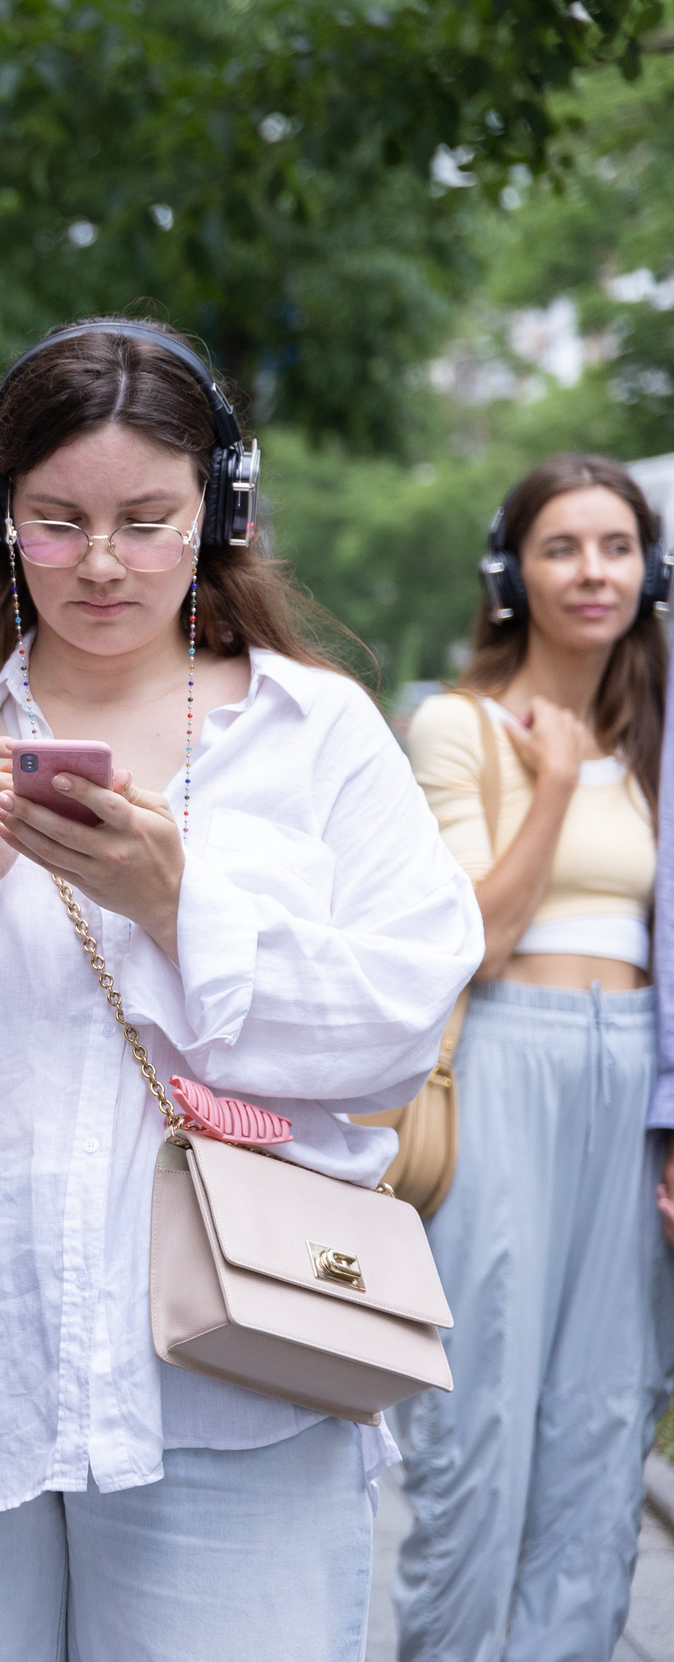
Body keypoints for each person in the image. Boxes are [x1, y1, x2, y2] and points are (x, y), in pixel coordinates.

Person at [0, 318, 480, 1661]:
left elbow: (397, 1019)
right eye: (57, 518)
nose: (100, 562)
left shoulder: (319, 738)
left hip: (239, 1371)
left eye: (147, 519)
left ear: (221, 514)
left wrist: (176, 903)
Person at [394, 453, 674, 1661]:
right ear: (510, 571)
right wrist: (552, 780)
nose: (592, 572)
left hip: (635, 1081)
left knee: (606, 1428)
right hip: (505, 1059)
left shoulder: (662, 743)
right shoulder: (455, 727)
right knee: (478, 1428)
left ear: (650, 568)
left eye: (615, 546)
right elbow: (477, 935)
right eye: (561, 546)